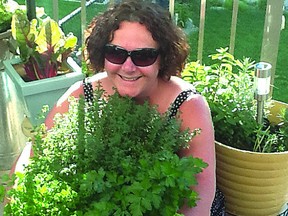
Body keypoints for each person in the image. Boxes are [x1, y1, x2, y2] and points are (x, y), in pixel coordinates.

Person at [17, 0, 224, 215]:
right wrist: (15, 198)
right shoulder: (84, 94)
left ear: (162, 58)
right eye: (116, 53)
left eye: (143, 56)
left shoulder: (187, 105)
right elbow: (34, 153)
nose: (128, 67)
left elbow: (199, 195)